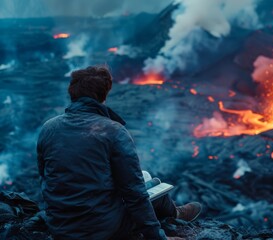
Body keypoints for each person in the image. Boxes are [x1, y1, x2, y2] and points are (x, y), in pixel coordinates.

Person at [37, 66, 202, 240]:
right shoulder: (113, 131)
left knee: (147, 179)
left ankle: (173, 211)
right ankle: (175, 214)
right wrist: (157, 237)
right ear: (104, 95)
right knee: (146, 184)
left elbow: (45, 179)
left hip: (60, 225)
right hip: (101, 229)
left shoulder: (48, 128)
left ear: (72, 93)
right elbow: (134, 193)